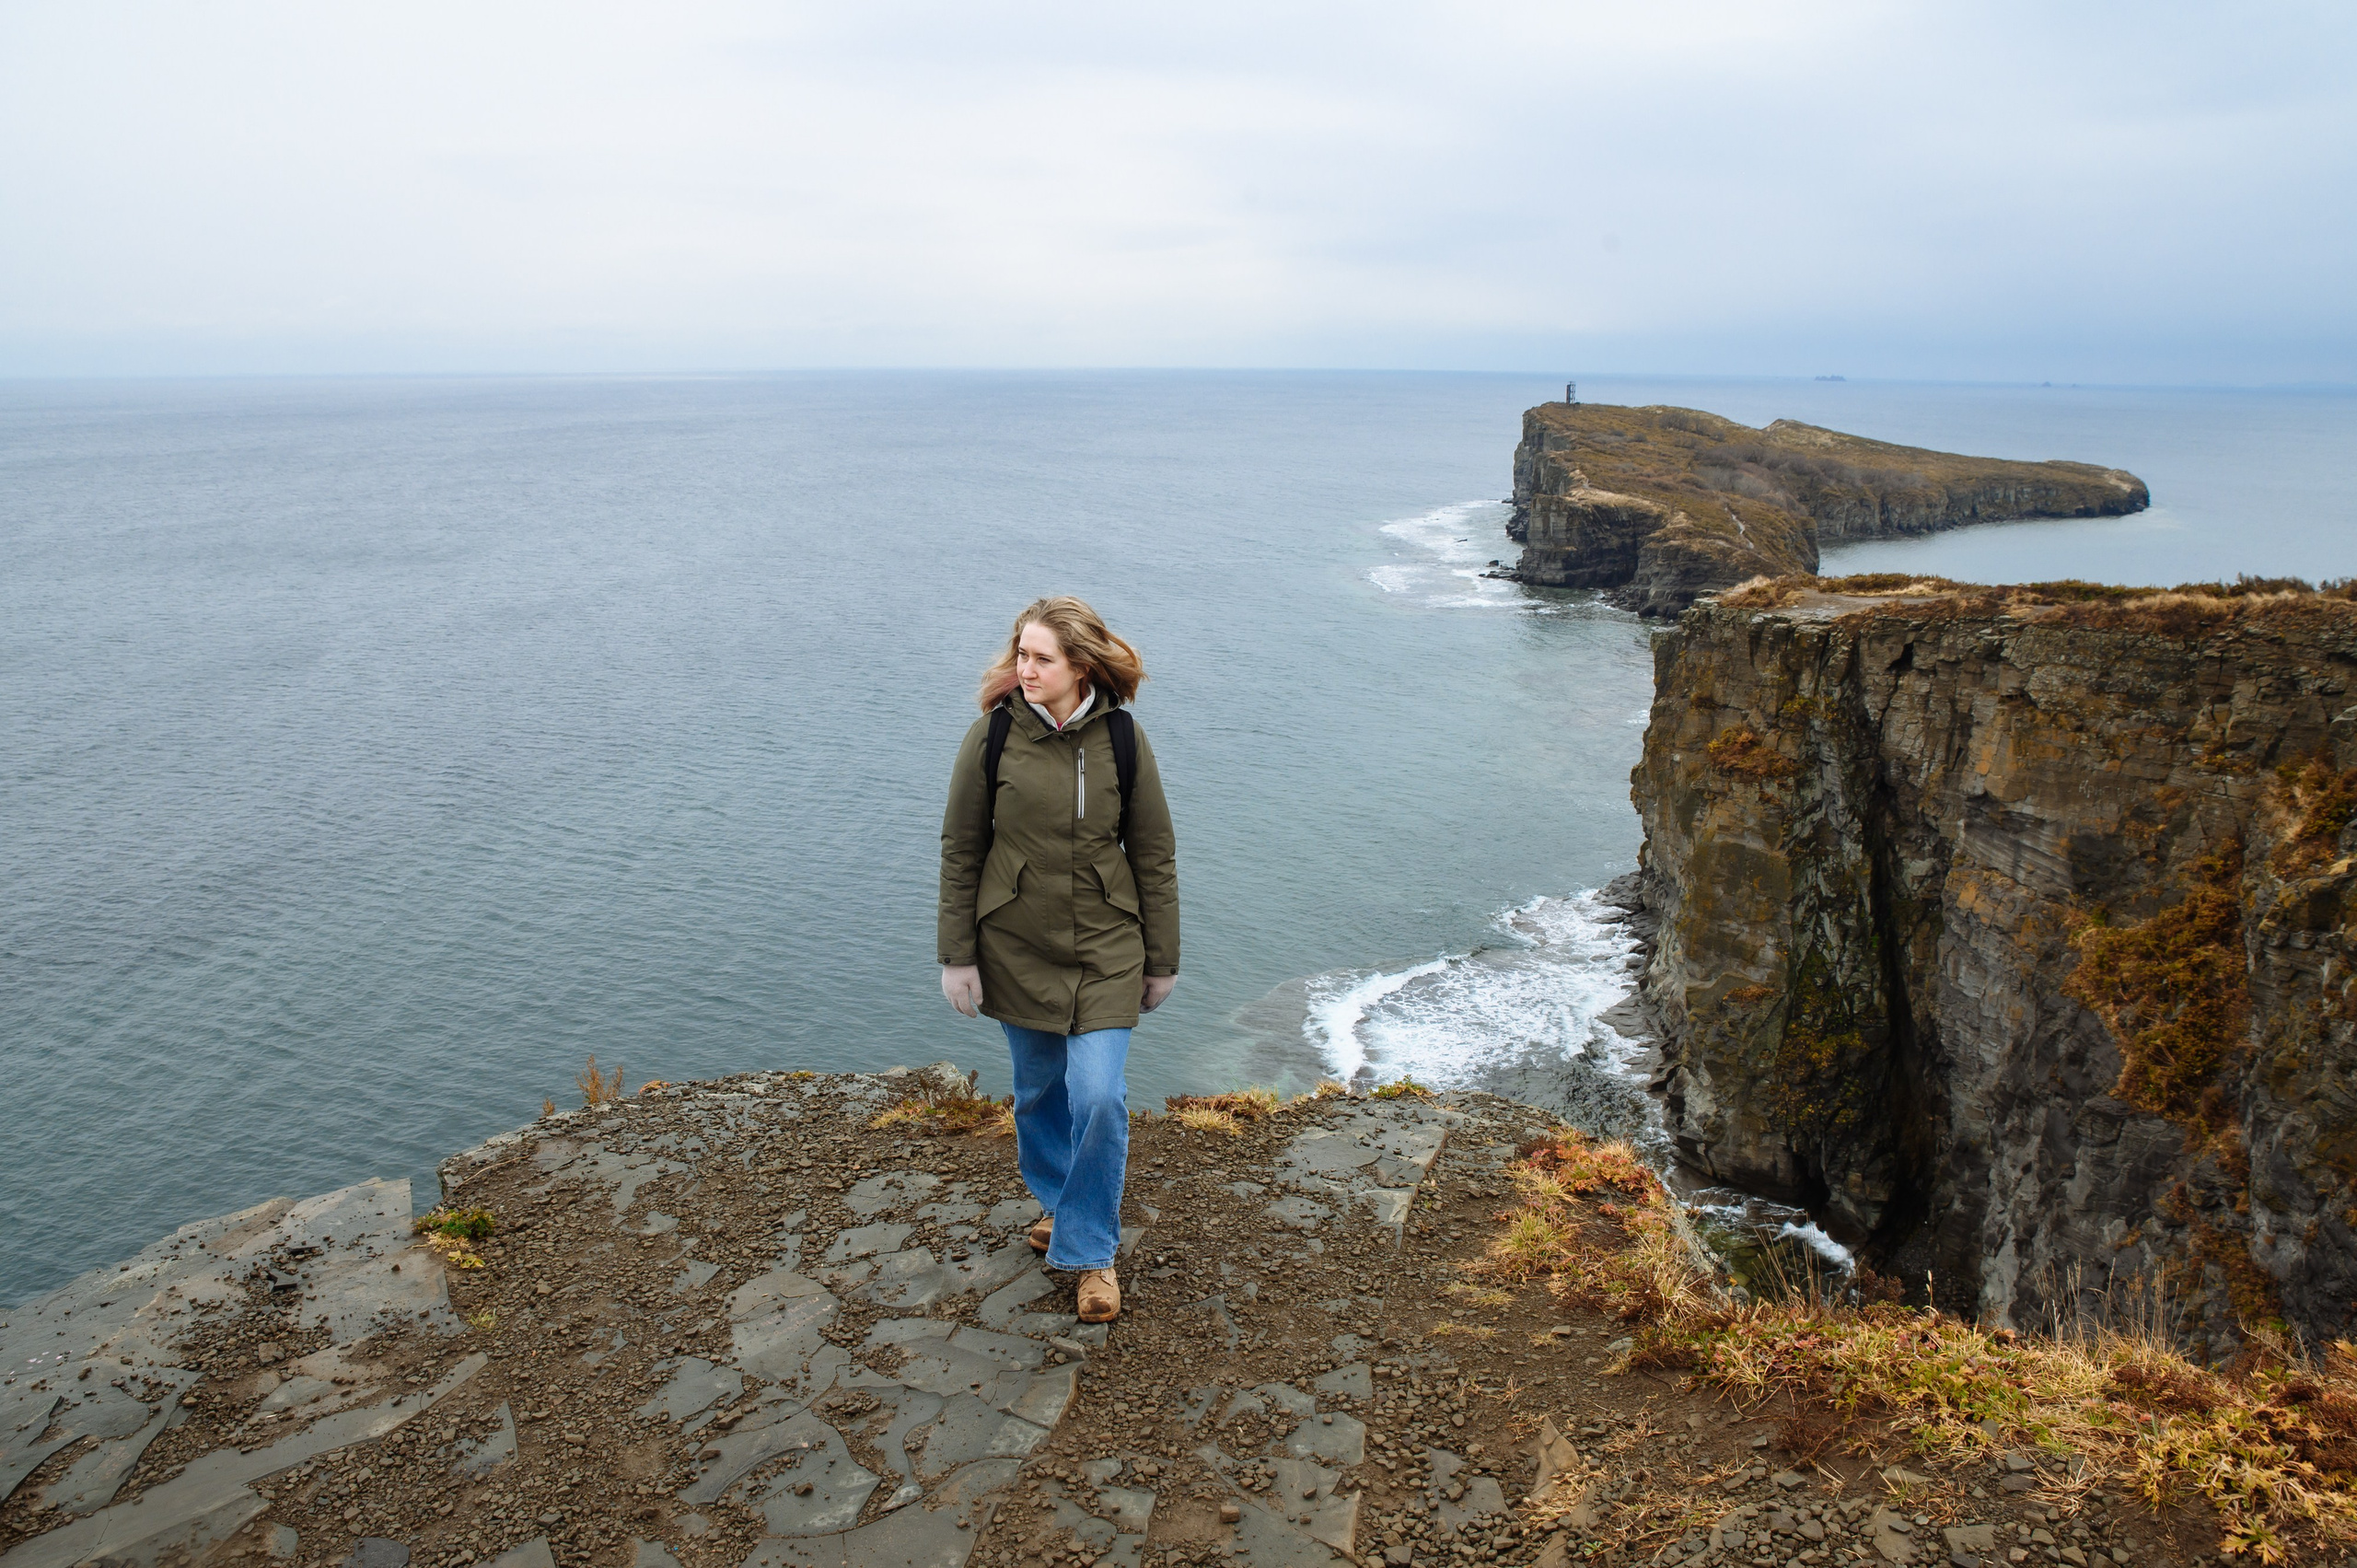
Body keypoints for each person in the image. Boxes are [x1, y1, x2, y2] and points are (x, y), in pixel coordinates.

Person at [936, 597, 1179, 1324]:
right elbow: (961, 849)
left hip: (1107, 948)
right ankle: (1061, 1201)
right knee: (1039, 1092)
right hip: (1016, 944)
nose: (1026, 669)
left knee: (1100, 1095)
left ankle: (1089, 1252)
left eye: (1042, 658)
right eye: (1021, 655)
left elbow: (1155, 854)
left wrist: (1161, 959)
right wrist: (958, 956)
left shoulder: (1124, 743)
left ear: (1080, 665)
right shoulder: (991, 739)